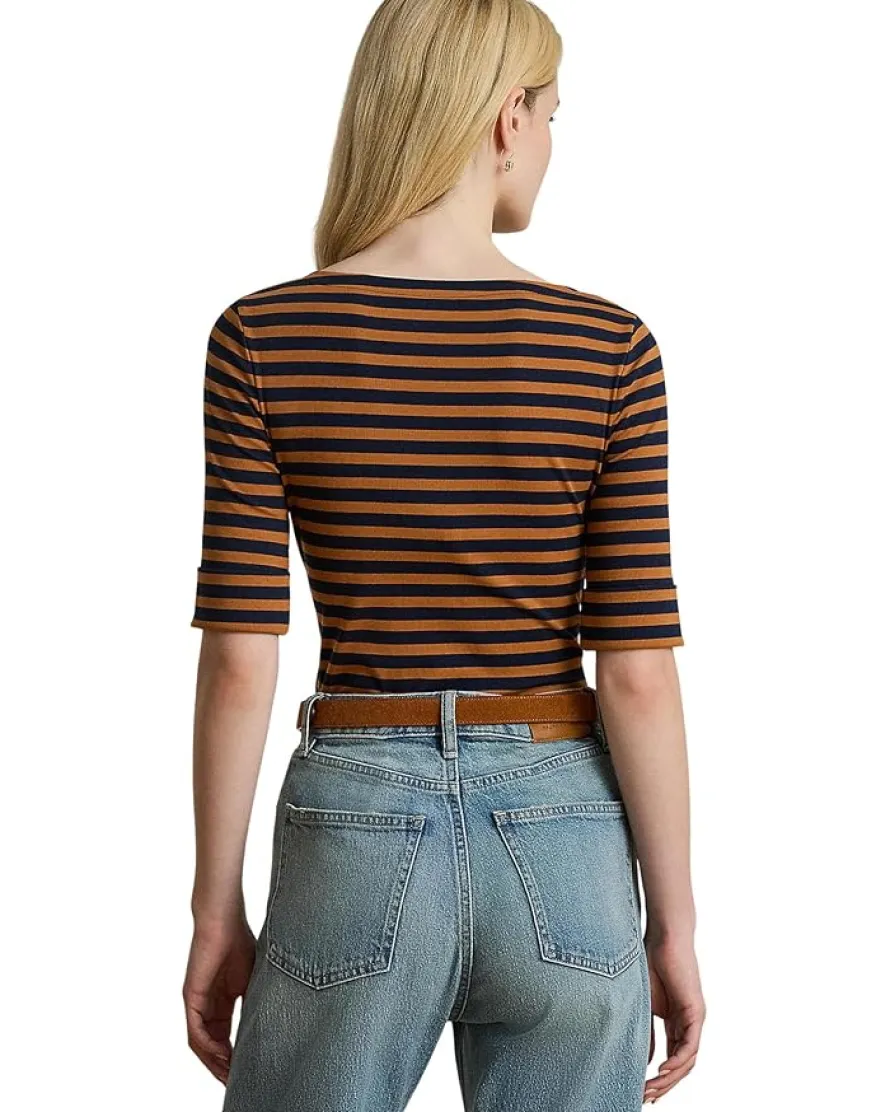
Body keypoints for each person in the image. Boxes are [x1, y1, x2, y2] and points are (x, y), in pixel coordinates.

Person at [182, 1, 705, 1108]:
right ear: (508, 118)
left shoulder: (262, 338)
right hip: (563, 831)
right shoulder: (608, 348)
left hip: (353, 821)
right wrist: (674, 923)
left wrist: (214, 907)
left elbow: (239, 657)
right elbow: (637, 673)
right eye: (553, 114)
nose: (550, 142)